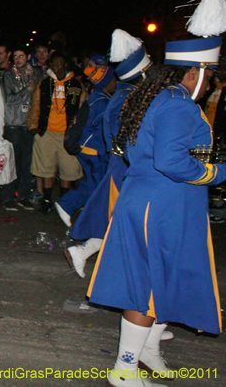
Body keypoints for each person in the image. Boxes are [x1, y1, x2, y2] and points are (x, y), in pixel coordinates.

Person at [88, 0, 226, 385]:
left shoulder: (156, 97)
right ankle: (125, 369)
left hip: (151, 200)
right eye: (209, 73)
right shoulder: (179, 104)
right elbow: (171, 161)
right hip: (162, 205)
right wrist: (217, 173)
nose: (210, 81)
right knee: (147, 288)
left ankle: (147, 351)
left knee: (160, 281)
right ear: (195, 71)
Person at [65, 29, 151, 278]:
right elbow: (121, 139)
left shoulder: (124, 96)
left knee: (119, 221)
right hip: (124, 169)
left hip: (123, 167)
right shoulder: (124, 100)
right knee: (123, 222)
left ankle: (85, 251)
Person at [53, 62, 117, 225]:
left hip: (88, 148)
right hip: (93, 150)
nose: (115, 83)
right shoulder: (103, 103)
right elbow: (101, 130)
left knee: (95, 184)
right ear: (107, 83)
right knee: (95, 185)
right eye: (113, 80)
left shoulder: (96, 97)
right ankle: (66, 205)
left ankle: (88, 216)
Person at [27, 51, 85, 211]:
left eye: (60, 63)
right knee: (46, 168)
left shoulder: (76, 85)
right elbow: (35, 106)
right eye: (54, 64)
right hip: (47, 132)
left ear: (66, 65)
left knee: (68, 169)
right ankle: (47, 199)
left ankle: (64, 201)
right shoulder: (45, 83)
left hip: (67, 134)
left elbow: (82, 109)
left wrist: (79, 132)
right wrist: (34, 128)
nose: (56, 67)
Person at [0, 45, 38, 210]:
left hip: (29, 124)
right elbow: (8, 99)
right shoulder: (8, 75)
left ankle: (24, 195)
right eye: (15, 56)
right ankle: (8, 197)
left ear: (28, 56)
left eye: (21, 56)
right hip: (14, 124)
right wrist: (26, 90)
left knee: (27, 163)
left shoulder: (36, 73)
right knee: (12, 162)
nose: (18, 59)